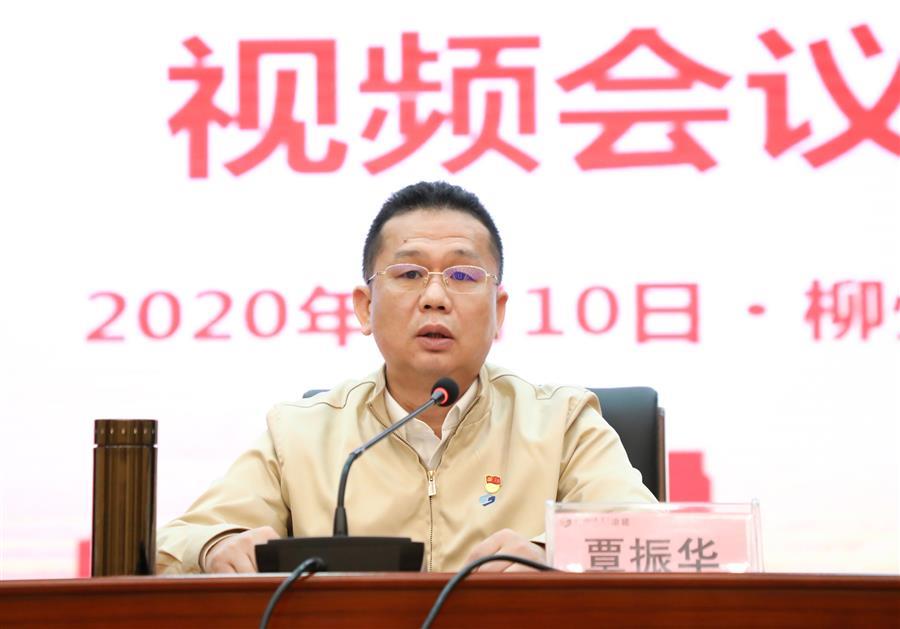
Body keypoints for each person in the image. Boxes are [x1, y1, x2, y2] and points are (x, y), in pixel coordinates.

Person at [156, 181, 655, 574]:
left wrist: (551, 555)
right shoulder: (300, 433)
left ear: (498, 311)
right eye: (410, 274)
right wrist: (217, 546)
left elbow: (651, 536)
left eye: (463, 276)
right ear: (365, 307)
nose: (435, 297)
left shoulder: (561, 422)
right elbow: (171, 545)